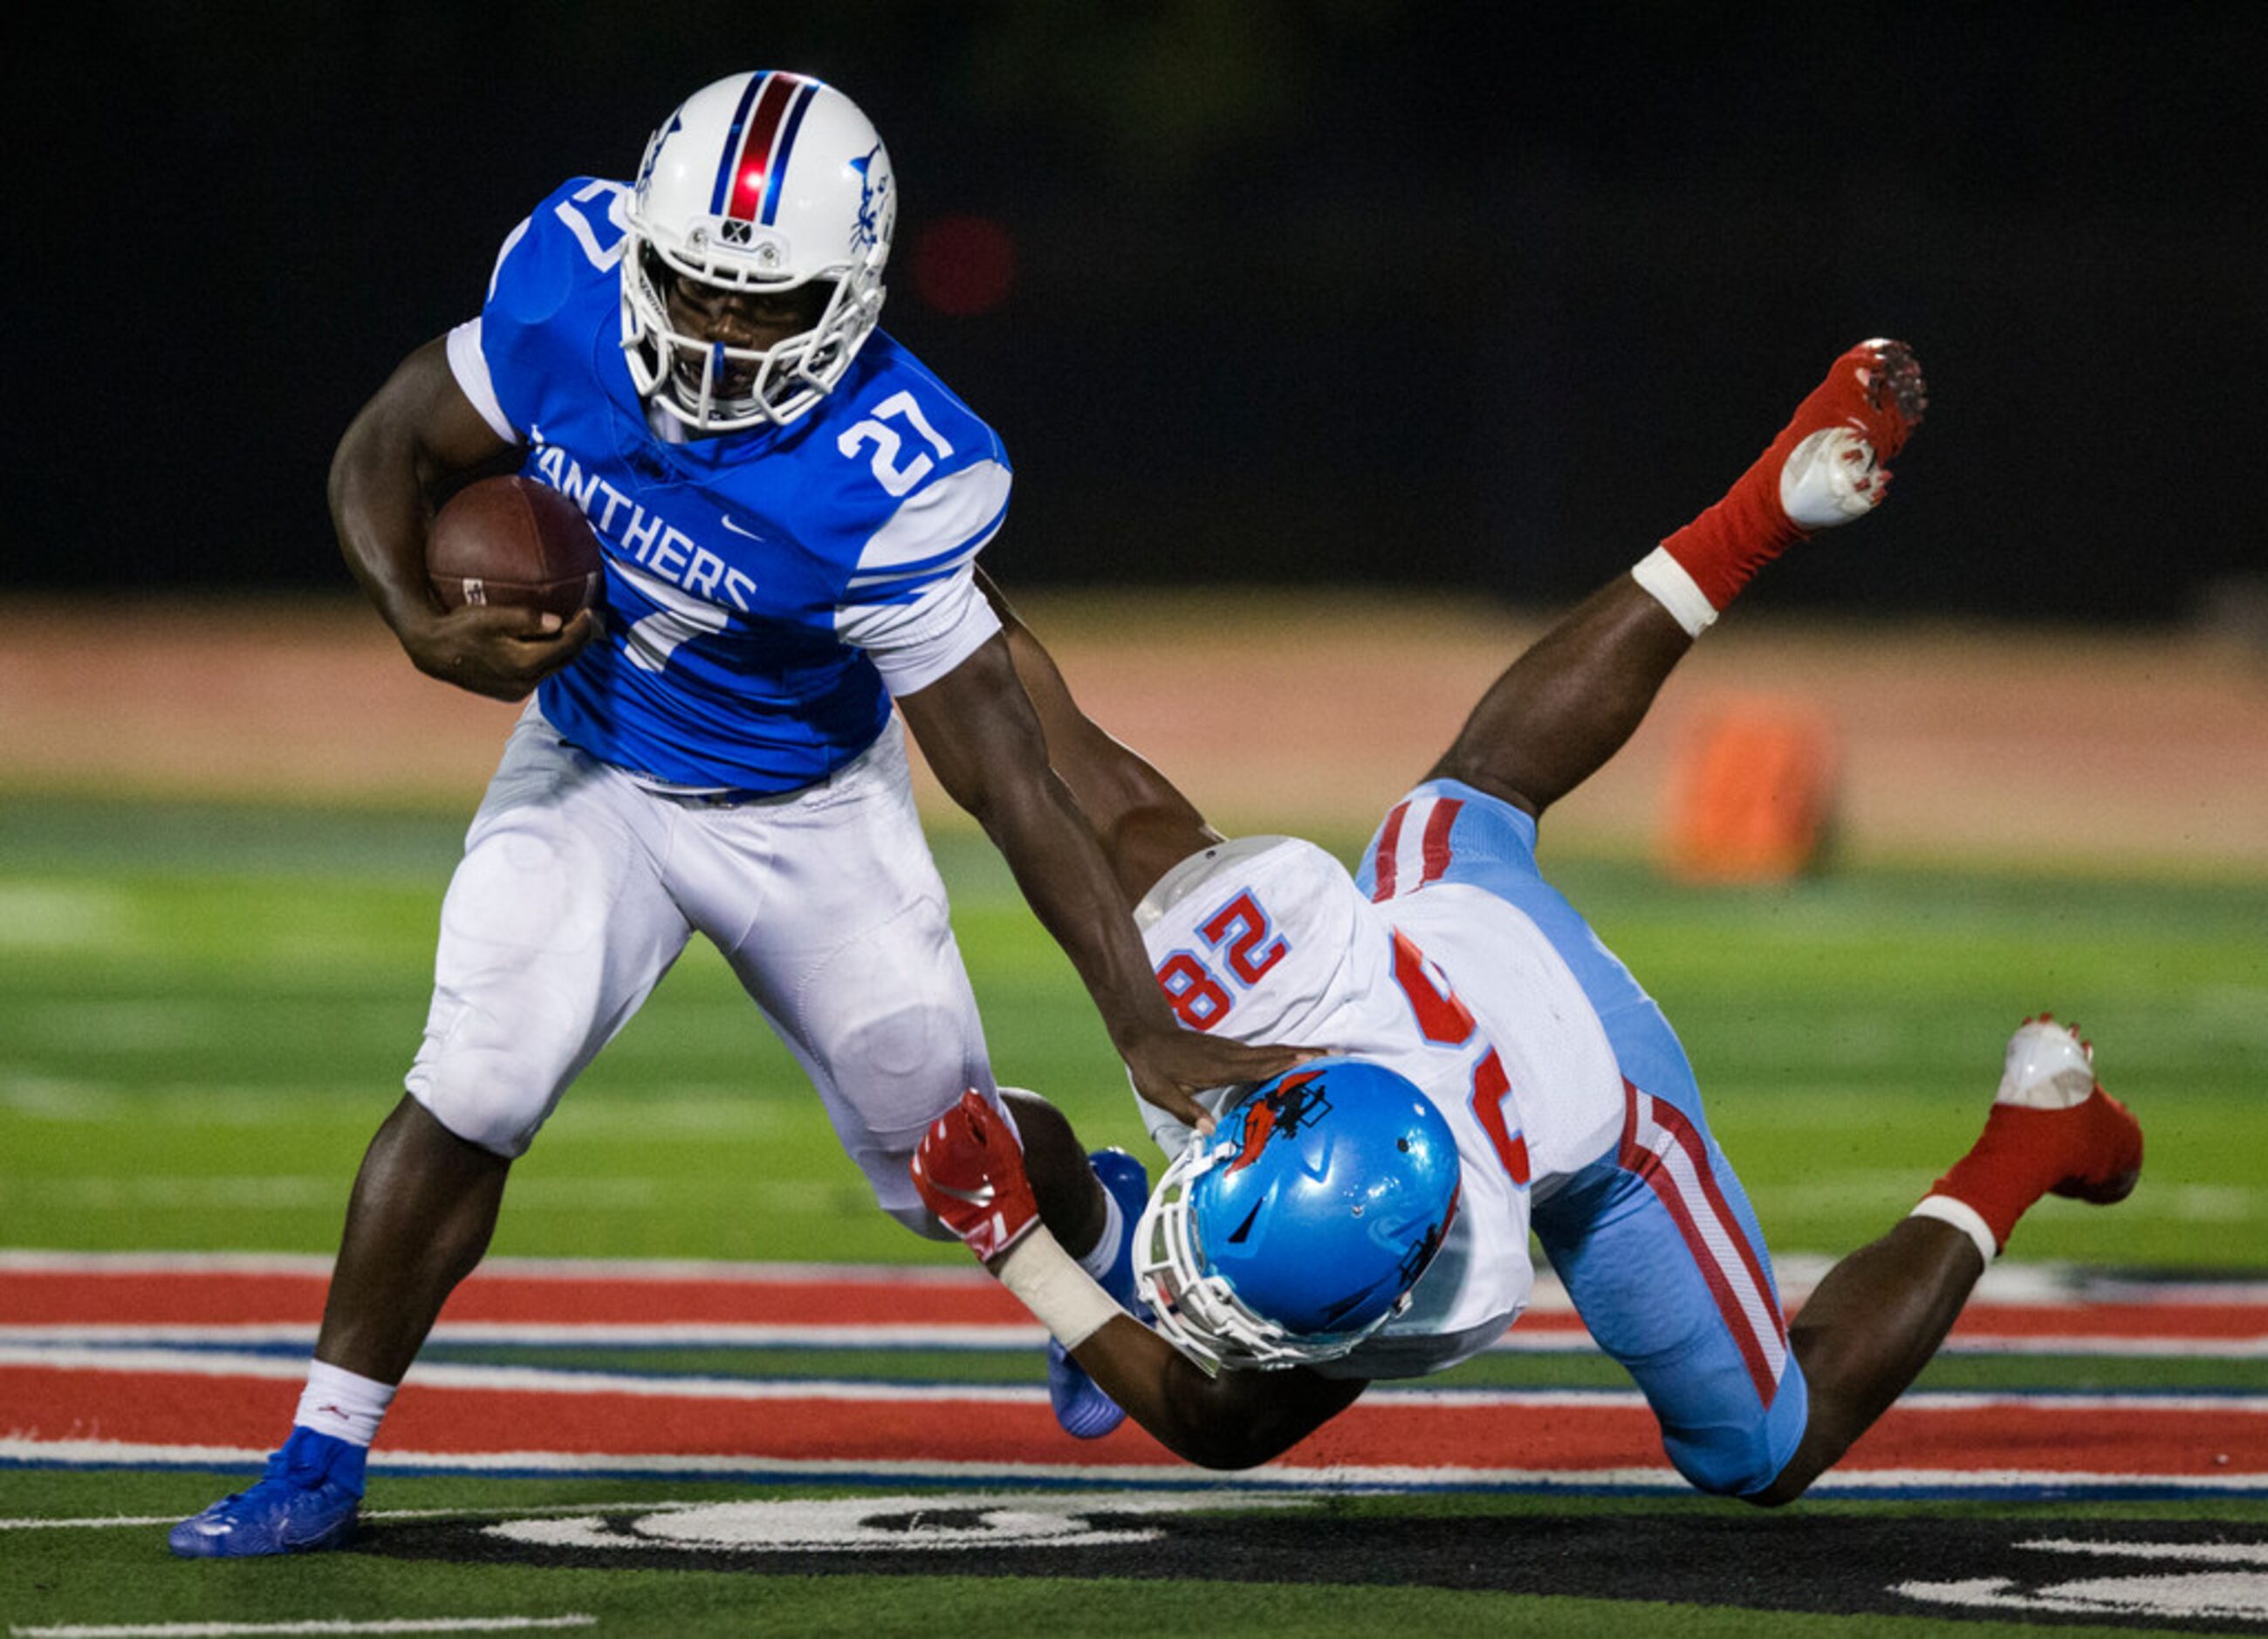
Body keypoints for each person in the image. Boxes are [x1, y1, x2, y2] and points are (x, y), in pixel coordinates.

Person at [168, 70, 1299, 1559]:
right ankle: (320, 1450)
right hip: (591, 765)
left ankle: (1091, 1212)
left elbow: (1007, 774)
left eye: (763, 307)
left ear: (852, 300)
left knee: (936, 1162)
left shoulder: (894, 468)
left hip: (804, 811)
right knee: (475, 1076)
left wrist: (1142, 1023)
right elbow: (386, 445)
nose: (712, 333)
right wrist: (416, 625)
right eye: (695, 286)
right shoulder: (566, 289)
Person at [912, 339, 2147, 1498]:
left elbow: (1220, 1420)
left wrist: (1020, 1243)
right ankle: (1752, 516)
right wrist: (899, 549)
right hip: (1452, 922)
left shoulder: (1448, 1274)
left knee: (1762, 1446)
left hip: (1596, 1083)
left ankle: (2030, 1138)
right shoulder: (1247, 966)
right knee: (1481, 788)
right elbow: (1063, 748)